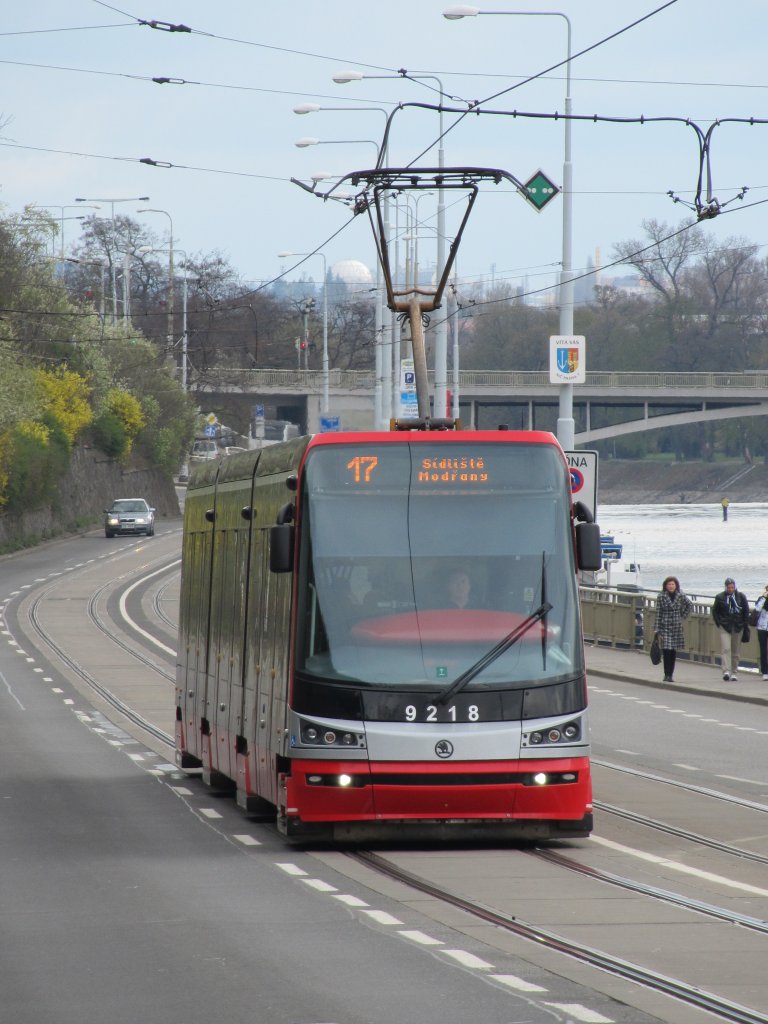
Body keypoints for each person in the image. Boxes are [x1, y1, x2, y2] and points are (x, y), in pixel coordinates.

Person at [653, 576, 692, 682]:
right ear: (666, 586)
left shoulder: (680, 595)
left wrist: (682, 615)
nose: (671, 586)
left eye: (673, 584)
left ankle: (671, 674)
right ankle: (666, 674)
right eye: (669, 584)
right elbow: (658, 613)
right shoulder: (661, 596)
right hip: (665, 626)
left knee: (673, 651)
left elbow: (689, 604)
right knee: (666, 651)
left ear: (676, 586)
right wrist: (657, 629)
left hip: (676, 627)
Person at [711, 577, 749, 681]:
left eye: (732, 587)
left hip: (737, 627)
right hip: (725, 626)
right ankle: (726, 671)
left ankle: (734, 672)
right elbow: (715, 611)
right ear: (726, 587)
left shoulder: (741, 596)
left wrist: (743, 623)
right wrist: (719, 623)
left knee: (736, 650)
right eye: (729, 587)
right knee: (726, 648)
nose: (731, 589)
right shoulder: (720, 597)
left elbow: (745, 611)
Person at [753, 585, 768, 680]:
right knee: (763, 650)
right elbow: (757, 609)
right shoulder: (761, 599)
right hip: (762, 627)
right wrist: (764, 598)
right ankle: (765, 672)